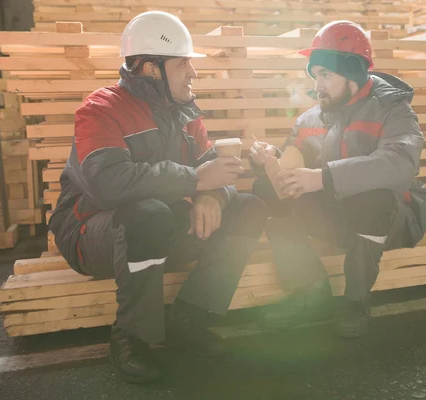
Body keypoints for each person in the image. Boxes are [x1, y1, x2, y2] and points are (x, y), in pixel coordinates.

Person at [48, 11, 268, 383]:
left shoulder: (185, 115)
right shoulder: (100, 109)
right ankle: (131, 337)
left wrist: (212, 196)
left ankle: (188, 319)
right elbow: (109, 184)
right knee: (146, 213)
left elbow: (212, 171)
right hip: (90, 234)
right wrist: (195, 181)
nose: (193, 73)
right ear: (151, 69)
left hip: (155, 232)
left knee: (248, 208)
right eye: (183, 64)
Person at [250, 20, 426, 339]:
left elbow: (401, 163)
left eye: (326, 75)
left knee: (372, 195)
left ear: (353, 74)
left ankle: (356, 301)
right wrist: (268, 160)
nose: (317, 85)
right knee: (265, 190)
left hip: (390, 219)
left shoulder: (394, 110)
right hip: (338, 216)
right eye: (315, 74)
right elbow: (290, 163)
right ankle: (311, 291)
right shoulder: (310, 117)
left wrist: (324, 177)